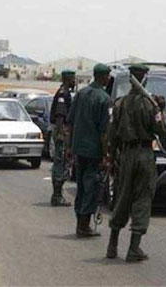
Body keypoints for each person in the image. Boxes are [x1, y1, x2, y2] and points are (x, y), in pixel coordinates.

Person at [106, 64, 166, 262]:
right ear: (145, 79)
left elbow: (112, 135)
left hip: (126, 155)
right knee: (142, 198)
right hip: (144, 154)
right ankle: (134, 248)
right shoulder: (150, 104)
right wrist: (161, 109)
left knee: (122, 196)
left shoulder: (120, 104)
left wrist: (110, 157)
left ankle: (112, 245)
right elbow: (163, 130)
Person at [67, 63, 111, 238]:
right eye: (108, 76)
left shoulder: (81, 94)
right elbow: (104, 131)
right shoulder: (104, 98)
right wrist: (106, 154)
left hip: (79, 149)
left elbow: (70, 122)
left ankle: (80, 223)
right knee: (91, 187)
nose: (109, 79)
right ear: (102, 76)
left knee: (81, 187)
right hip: (93, 151)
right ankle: (84, 225)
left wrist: (70, 147)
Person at [49, 70, 75, 206]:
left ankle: (57, 195)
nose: (74, 81)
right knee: (61, 162)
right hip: (62, 131)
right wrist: (61, 134)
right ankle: (57, 195)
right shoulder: (63, 94)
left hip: (62, 131)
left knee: (62, 162)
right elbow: (60, 116)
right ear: (67, 79)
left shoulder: (64, 92)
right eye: (73, 79)